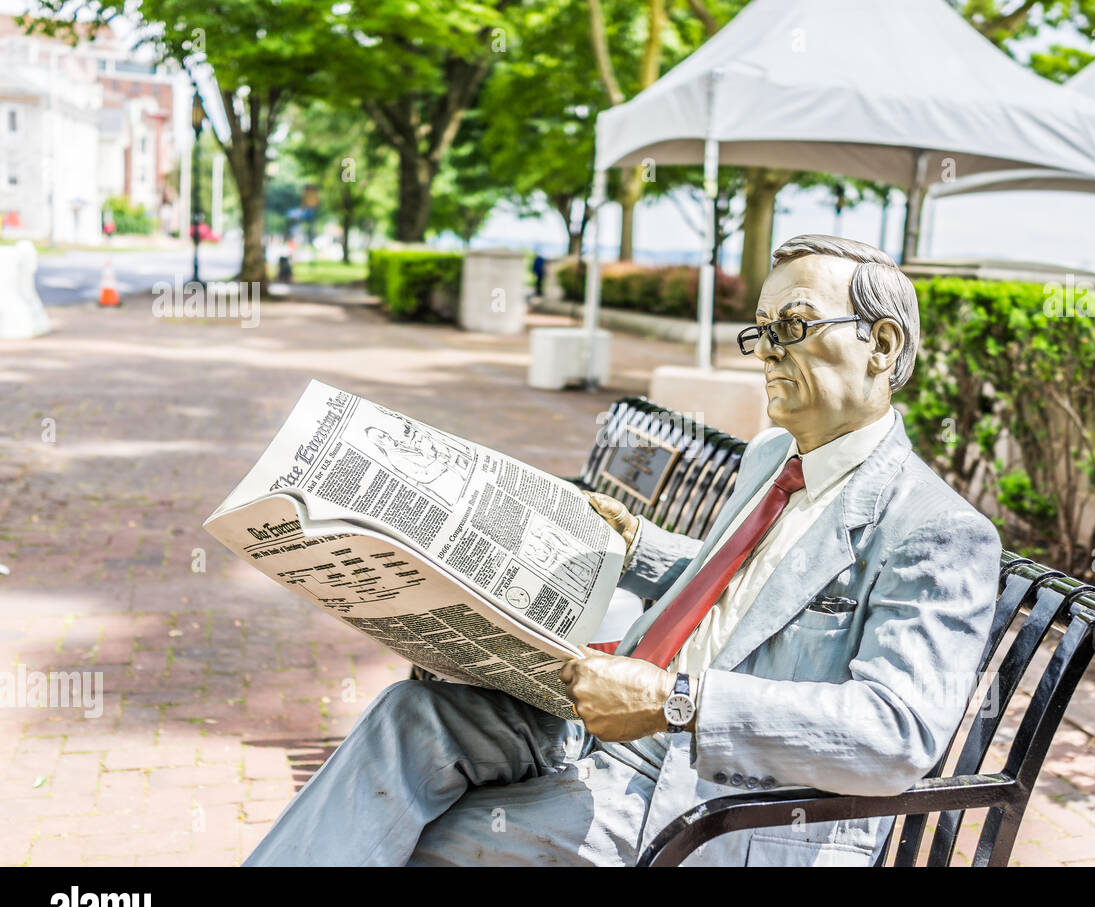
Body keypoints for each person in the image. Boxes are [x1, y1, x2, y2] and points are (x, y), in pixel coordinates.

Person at [243, 233, 1002, 867]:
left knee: (423, 841)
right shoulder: (775, 456)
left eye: (794, 327)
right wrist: (636, 541)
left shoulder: (936, 529)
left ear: (884, 343)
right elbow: (747, 599)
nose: (767, 352)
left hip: (720, 801)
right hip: (609, 729)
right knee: (415, 714)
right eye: (762, 332)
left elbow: (896, 735)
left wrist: (674, 701)